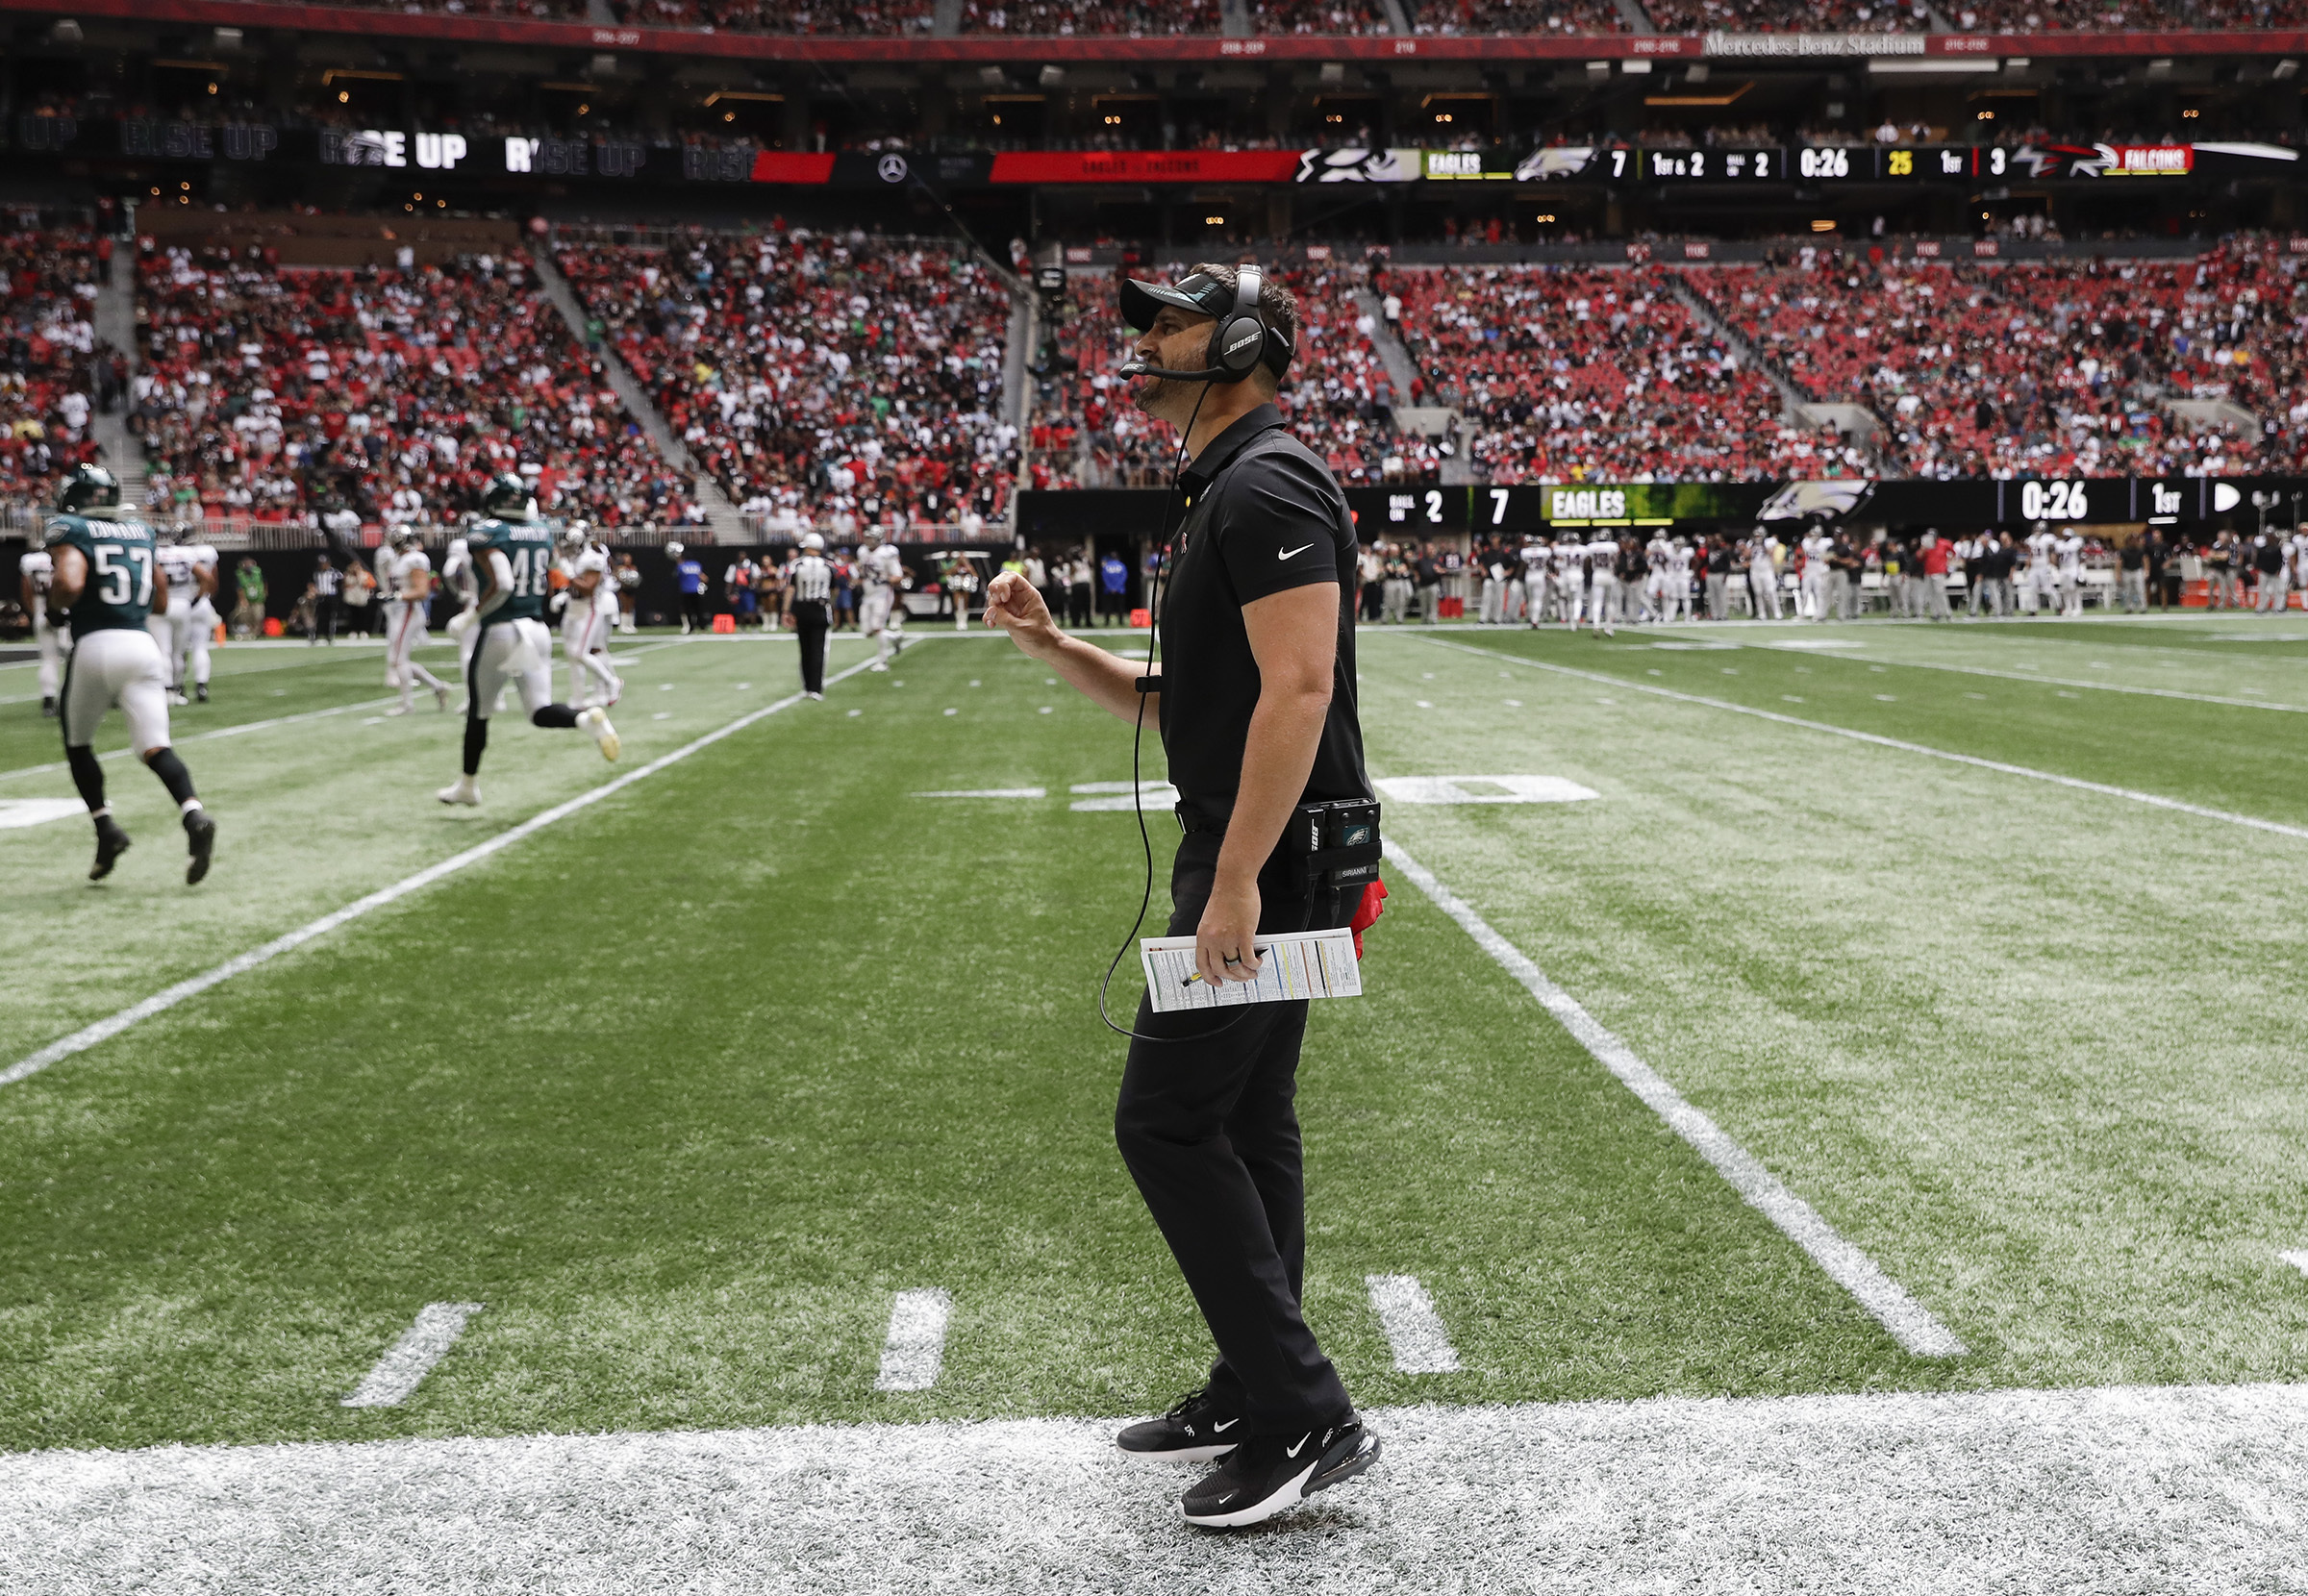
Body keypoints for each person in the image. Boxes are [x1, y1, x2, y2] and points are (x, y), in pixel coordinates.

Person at [983, 262, 1380, 1531]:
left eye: (1170, 320)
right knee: (1249, 1122)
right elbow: (1185, 708)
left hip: (1273, 859)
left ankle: (1304, 1413)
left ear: (1243, 343)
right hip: (1274, 848)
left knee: (1161, 1121)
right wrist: (1052, 646)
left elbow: (1300, 690)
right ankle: (1252, 1384)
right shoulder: (1228, 489)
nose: (1145, 340)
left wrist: (1243, 881)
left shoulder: (1264, 485)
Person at [41, 464, 216, 884]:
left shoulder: (70, 529)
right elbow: (158, 598)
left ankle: (106, 829)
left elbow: (69, 580)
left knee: (79, 744)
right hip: (142, 646)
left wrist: (55, 607)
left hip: (96, 644)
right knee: (156, 746)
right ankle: (192, 814)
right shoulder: (139, 531)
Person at [435, 474, 621, 808]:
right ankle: (585, 719)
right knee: (539, 710)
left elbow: (504, 583)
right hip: (536, 628)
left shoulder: (488, 533)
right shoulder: (541, 532)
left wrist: (470, 616)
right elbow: (557, 569)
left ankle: (467, 784)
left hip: (500, 628)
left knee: (478, 712)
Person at [382, 529, 452, 715]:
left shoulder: (415, 559)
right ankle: (437, 687)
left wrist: (397, 596)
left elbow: (422, 592)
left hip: (409, 611)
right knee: (398, 660)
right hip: (402, 612)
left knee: (398, 660)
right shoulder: (402, 560)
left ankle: (407, 705)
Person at [556, 524, 622, 709]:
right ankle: (577, 698)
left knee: (582, 651)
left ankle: (611, 682)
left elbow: (588, 588)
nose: (569, 549)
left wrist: (569, 575)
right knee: (571, 654)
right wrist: (564, 594)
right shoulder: (575, 557)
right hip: (573, 606)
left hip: (589, 607)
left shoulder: (593, 558)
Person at [19, 534, 64, 716]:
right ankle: (70, 699)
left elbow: (26, 590)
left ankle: (48, 700)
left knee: (48, 659)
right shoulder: (65, 557)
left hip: (41, 612)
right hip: (64, 613)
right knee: (72, 660)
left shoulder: (31, 562)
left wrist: (35, 613)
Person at [789, 532, 834, 698]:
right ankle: (816, 687)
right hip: (820, 608)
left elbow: (791, 588)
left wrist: (787, 610)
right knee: (818, 649)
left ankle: (807, 686)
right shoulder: (828, 565)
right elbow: (834, 590)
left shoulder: (797, 564)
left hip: (802, 608)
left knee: (805, 649)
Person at [857, 525, 908, 671]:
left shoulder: (887, 553)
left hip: (882, 593)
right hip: (868, 595)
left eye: (870, 537)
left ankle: (883, 661)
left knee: (877, 627)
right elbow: (863, 571)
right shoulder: (862, 551)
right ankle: (894, 637)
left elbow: (898, 577)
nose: (867, 540)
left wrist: (884, 580)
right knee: (867, 631)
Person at [671, 541, 707, 634]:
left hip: (686, 590)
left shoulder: (681, 566)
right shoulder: (696, 564)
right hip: (696, 590)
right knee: (698, 610)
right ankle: (702, 627)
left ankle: (691, 628)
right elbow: (704, 578)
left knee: (688, 610)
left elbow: (676, 575)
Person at [308, 554, 341, 644]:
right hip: (320, 596)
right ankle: (316, 635)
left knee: (331, 616)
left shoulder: (334, 572)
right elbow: (311, 583)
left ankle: (329, 635)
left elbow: (342, 580)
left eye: (324, 563)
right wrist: (313, 591)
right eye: (320, 564)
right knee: (319, 617)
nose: (322, 565)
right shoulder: (316, 573)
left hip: (331, 596)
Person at [229, 556, 265, 639]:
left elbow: (264, 582)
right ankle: (247, 632)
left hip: (257, 599)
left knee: (258, 615)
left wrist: (265, 592)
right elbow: (239, 588)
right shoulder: (239, 574)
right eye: (246, 564)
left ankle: (256, 633)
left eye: (249, 563)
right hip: (245, 599)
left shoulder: (258, 572)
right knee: (243, 615)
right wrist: (242, 599)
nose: (248, 566)